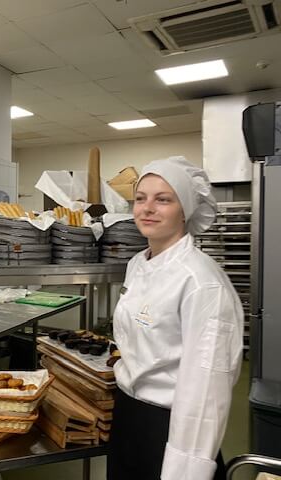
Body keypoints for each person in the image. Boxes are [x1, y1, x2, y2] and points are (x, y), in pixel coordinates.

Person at [107, 156, 244, 480]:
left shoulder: (201, 282)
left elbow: (205, 390)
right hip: (129, 416)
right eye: (140, 198)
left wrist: (186, 469)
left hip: (171, 426)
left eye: (163, 199)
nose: (147, 208)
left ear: (185, 210)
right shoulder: (138, 264)